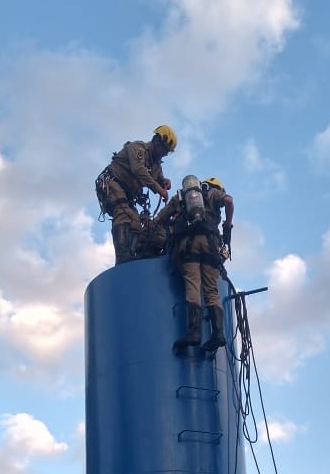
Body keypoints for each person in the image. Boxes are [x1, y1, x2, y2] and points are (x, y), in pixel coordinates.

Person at [154, 175, 234, 353]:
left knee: (192, 285)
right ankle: (218, 334)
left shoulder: (181, 196)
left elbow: (159, 219)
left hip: (188, 245)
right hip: (211, 245)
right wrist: (227, 227)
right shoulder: (215, 194)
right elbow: (228, 201)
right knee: (212, 290)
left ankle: (194, 333)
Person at [95, 125, 177, 265]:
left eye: (167, 152)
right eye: (165, 149)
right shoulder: (138, 148)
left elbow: (158, 177)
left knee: (135, 224)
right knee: (124, 214)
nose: (165, 154)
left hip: (126, 194)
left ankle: (130, 257)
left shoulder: (156, 165)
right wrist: (159, 189)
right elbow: (138, 170)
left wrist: (164, 182)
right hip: (111, 182)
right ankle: (122, 256)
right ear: (157, 141)